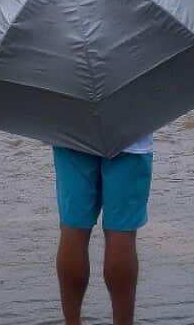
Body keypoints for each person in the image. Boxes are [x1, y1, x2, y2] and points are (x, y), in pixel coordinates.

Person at [53, 133, 154, 325]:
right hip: (130, 129)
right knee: (122, 232)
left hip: (71, 126)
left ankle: (72, 322)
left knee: (73, 228)